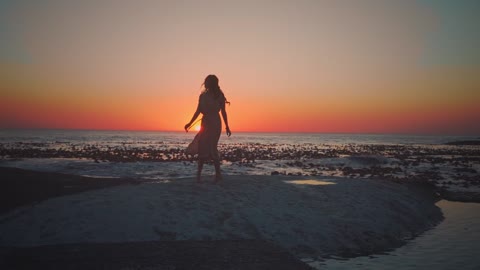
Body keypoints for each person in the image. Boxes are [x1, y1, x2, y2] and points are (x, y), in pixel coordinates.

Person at [185, 75, 231, 183]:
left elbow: (223, 112)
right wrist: (190, 123)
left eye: (207, 81)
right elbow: (197, 111)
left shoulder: (219, 95)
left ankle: (218, 174)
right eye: (205, 81)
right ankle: (199, 175)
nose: (205, 83)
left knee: (212, 147)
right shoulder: (202, 96)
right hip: (205, 123)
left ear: (212, 83)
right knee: (201, 146)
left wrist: (227, 126)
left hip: (215, 123)